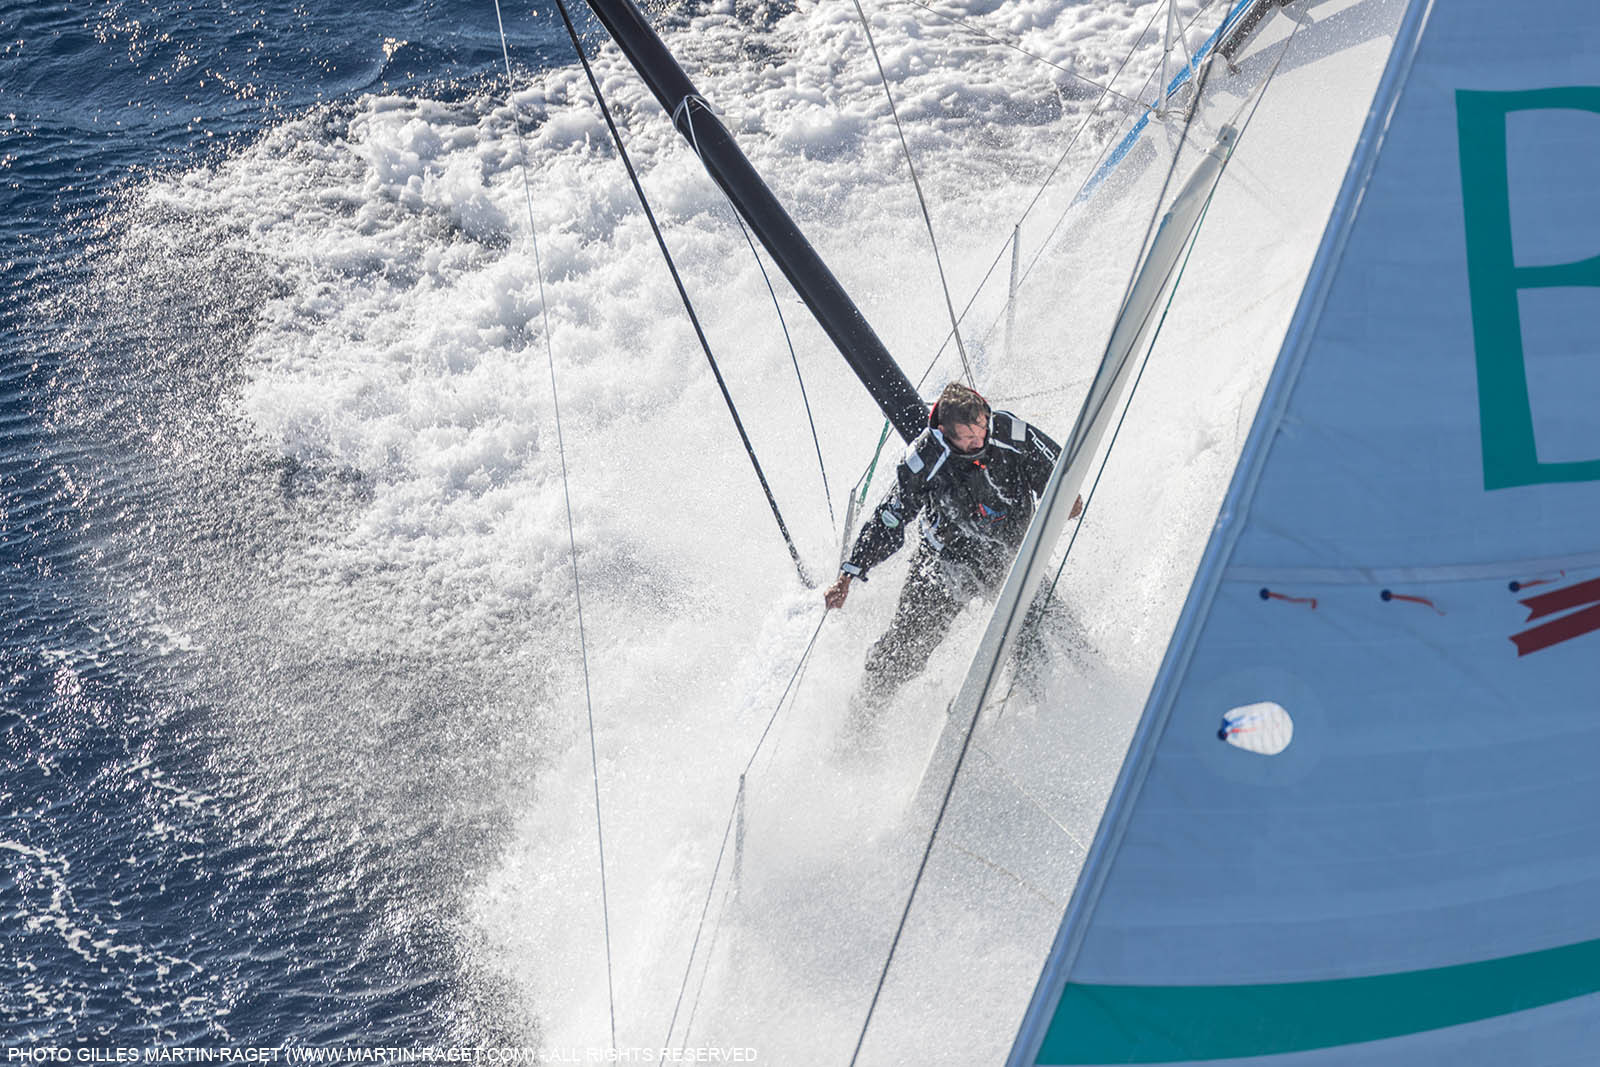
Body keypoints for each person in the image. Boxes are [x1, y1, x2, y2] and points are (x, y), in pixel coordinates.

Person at [823, 381, 1081, 713]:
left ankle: (1065, 696)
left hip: (1008, 560)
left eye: (983, 430)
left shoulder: (1009, 432)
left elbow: (1056, 467)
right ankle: (861, 716)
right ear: (945, 433)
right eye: (970, 438)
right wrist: (848, 574)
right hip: (945, 565)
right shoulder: (922, 461)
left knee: (1054, 630)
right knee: (905, 651)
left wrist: (1067, 496)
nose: (981, 441)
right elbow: (889, 520)